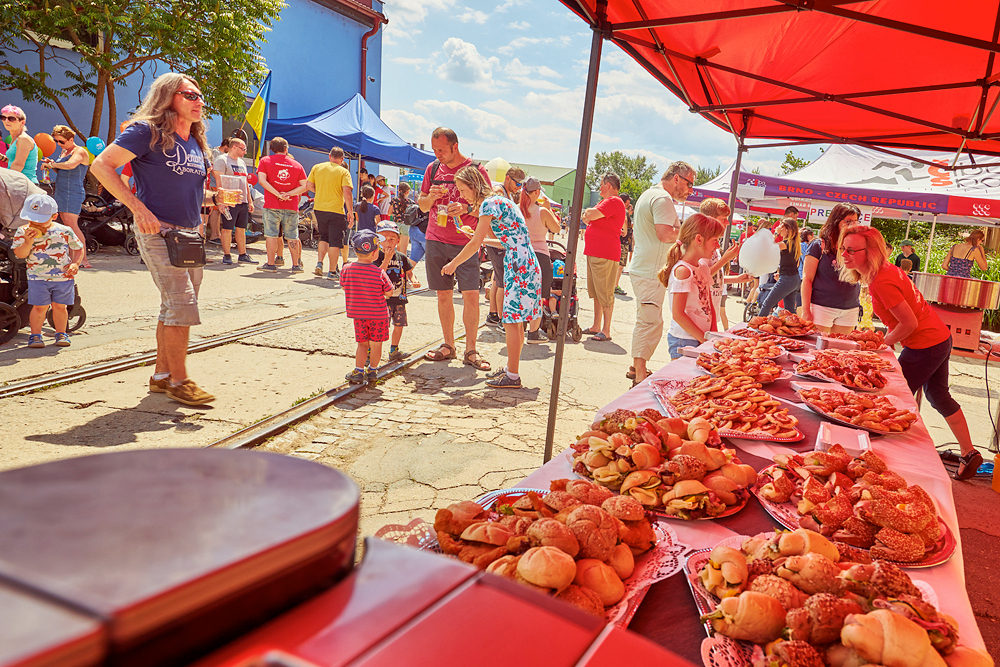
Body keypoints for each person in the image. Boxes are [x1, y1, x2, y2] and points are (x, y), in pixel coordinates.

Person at [90, 72, 216, 406]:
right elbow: (101, 166)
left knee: (173, 305)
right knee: (182, 304)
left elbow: (186, 189)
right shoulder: (147, 131)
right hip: (157, 230)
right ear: (168, 97)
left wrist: (214, 199)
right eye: (190, 95)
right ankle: (180, 380)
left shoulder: (196, 142)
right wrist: (137, 208)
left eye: (200, 96)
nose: (199, 101)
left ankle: (161, 376)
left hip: (190, 234)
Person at [839, 226, 982, 479]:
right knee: (938, 396)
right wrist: (888, 338)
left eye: (851, 250)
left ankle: (884, 465)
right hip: (937, 338)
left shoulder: (882, 280)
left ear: (870, 252)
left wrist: (881, 344)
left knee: (888, 401)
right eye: (843, 248)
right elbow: (901, 319)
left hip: (925, 344)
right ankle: (968, 453)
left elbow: (909, 323)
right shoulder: (884, 271)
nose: (844, 254)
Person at [442, 166, 541, 389]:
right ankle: (511, 369)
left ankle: (513, 376)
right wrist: (484, 239)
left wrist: (453, 263)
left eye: (463, 190)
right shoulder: (501, 200)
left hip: (518, 264)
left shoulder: (488, 204)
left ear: (474, 186)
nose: (462, 196)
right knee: (515, 321)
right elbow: (509, 239)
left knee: (511, 321)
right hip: (525, 260)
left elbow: (475, 244)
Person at [417, 127, 492, 371]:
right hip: (436, 238)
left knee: (470, 295)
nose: (437, 154)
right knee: (443, 294)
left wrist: (467, 209)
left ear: (455, 147)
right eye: (434, 149)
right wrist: (431, 198)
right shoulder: (433, 169)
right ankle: (448, 345)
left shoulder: (476, 170)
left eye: (441, 150)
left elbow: (489, 205)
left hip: (466, 242)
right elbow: (423, 205)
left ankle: (471, 349)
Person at [628, 161, 694, 381]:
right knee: (650, 322)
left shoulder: (649, 194)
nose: (690, 190)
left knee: (647, 319)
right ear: (677, 178)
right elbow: (665, 234)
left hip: (645, 268)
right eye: (689, 184)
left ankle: (636, 367)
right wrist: (688, 234)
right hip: (649, 271)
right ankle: (639, 374)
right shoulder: (663, 198)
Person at [11, 193, 83, 349]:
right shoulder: (23, 231)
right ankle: (35, 335)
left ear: (54, 216)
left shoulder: (65, 230)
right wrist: (28, 242)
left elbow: (78, 248)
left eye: (41, 220)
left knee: (60, 306)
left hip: (63, 277)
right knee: (39, 307)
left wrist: (75, 264)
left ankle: (61, 333)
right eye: (32, 220)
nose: (36, 223)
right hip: (38, 278)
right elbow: (20, 254)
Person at [658, 213, 724, 359]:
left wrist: (713, 333)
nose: (718, 246)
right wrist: (704, 339)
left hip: (702, 338)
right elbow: (678, 314)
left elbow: (709, 304)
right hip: (685, 340)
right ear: (699, 239)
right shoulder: (683, 271)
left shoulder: (703, 267)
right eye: (715, 240)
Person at [341, 230, 393, 386]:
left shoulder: (346, 269)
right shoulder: (379, 272)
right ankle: (373, 370)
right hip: (379, 316)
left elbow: (344, 286)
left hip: (359, 316)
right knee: (376, 344)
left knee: (362, 344)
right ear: (375, 253)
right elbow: (389, 292)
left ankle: (358, 371)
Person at [801, 203, 860, 334]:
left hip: (850, 308)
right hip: (821, 307)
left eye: (856, 221)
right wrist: (806, 311)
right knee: (817, 346)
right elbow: (807, 279)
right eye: (848, 221)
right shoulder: (819, 245)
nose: (853, 225)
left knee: (840, 347)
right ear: (836, 221)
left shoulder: (856, 246)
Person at [581, 172, 626, 342]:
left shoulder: (613, 201)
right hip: (596, 252)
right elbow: (587, 218)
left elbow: (589, 215)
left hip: (605, 253)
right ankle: (596, 326)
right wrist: (589, 214)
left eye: (601, 184)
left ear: (608, 185)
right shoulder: (605, 202)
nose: (599, 187)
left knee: (605, 293)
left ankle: (606, 330)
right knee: (597, 292)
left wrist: (588, 212)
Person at [256, 136, 308, 273]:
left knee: (271, 235)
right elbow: (305, 186)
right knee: (292, 236)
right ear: (286, 149)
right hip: (291, 205)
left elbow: (262, 181)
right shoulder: (297, 165)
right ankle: (296, 265)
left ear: (272, 148)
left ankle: (271, 264)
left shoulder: (265, 161)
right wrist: (289, 194)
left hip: (272, 204)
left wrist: (277, 194)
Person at [41, 126, 92, 269]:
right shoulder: (64, 152)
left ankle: (83, 259)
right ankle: (71, 257)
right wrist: (53, 165)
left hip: (73, 191)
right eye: (56, 141)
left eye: (61, 141)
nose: (59, 144)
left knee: (72, 225)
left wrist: (52, 164)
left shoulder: (80, 151)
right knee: (66, 225)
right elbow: (62, 170)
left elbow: (70, 165)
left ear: (71, 139)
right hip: (62, 190)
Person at [699, 198, 750, 331]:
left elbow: (715, 278)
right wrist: (726, 259)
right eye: (724, 219)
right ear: (710, 219)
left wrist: (737, 279)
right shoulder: (701, 245)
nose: (727, 223)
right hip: (698, 319)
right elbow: (701, 277)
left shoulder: (714, 246)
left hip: (709, 316)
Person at [521, 176, 560, 343]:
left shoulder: (518, 209)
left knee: (522, 294)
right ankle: (533, 333)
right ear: (537, 192)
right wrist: (549, 210)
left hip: (522, 255)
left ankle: (519, 329)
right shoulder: (542, 211)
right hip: (540, 256)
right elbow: (556, 228)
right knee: (537, 297)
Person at [485, 166, 525, 328]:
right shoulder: (498, 192)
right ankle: (502, 319)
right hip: (498, 244)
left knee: (497, 279)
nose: (518, 187)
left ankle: (493, 314)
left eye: (521, 185)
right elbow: (488, 218)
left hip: (500, 243)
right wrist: (494, 238)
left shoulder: (508, 194)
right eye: (517, 184)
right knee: (503, 282)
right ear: (508, 178)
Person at [308, 146, 355, 281]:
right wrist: (350, 212)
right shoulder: (344, 172)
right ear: (342, 159)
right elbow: (347, 193)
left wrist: (321, 192)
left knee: (323, 237)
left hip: (319, 208)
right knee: (335, 241)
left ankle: (319, 263)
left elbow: (309, 186)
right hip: (336, 210)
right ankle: (332, 272)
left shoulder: (317, 167)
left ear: (329, 156)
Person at [212, 136, 256, 266]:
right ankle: (227, 255)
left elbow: (245, 182)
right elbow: (219, 181)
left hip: (242, 200)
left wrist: (250, 201)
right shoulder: (222, 160)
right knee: (227, 228)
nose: (245, 152)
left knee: (241, 228)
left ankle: (243, 254)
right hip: (229, 200)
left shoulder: (242, 162)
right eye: (243, 149)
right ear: (234, 147)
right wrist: (221, 201)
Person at [375, 220, 414, 361]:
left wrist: (413, 280)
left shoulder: (401, 257)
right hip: (382, 300)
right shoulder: (376, 256)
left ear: (398, 241)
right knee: (379, 327)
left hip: (399, 299)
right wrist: (386, 258)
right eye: (384, 239)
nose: (388, 242)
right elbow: (378, 274)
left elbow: (409, 272)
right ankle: (370, 352)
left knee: (399, 325)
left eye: (392, 239)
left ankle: (394, 350)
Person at [758, 217, 802, 317]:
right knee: (790, 310)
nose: (778, 228)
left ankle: (757, 324)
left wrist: (776, 233)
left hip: (787, 279)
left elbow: (767, 247)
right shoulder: (794, 244)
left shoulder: (786, 244)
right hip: (794, 279)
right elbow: (795, 263)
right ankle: (794, 326)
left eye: (781, 226)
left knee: (767, 304)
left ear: (787, 229)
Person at [2, 105, 38, 182]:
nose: (6, 121)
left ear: (22, 122)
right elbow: (14, 161)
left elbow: (18, 165)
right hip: (19, 182)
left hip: (24, 184)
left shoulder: (23, 139)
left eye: (11, 118)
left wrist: (5, 180)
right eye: (3, 117)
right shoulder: (15, 139)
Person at [615, 192, 634, 296]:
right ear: (626, 201)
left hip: (619, 240)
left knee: (618, 264)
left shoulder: (618, 208)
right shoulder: (624, 210)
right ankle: (615, 286)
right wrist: (625, 230)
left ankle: (613, 285)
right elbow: (625, 220)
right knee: (620, 265)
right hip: (624, 241)